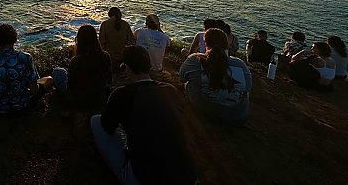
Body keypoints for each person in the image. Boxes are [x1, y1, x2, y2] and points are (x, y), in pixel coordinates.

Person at [90, 46, 196, 185]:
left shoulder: (121, 94)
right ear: (148, 66)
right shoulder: (169, 90)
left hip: (144, 178)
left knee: (96, 121)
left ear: (126, 68)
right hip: (187, 176)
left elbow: (108, 127)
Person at [180, 28, 252, 123]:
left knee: (189, 83)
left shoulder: (194, 60)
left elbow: (182, 78)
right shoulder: (241, 65)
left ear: (205, 43)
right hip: (237, 116)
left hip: (203, 110)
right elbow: (248, 87)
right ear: (227, 45)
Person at [0, 23, 53, 114]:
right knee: (49, 79)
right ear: (14, 39)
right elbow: (34, 91)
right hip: (22, 108)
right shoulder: (25, 58)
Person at [52, 24, 112, 111]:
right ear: (95, 39)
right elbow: (109, 80)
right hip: (99, 98)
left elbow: (70, 86)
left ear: (79, 40)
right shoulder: (105, 56)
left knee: (58, 71)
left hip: (78, 101)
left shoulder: (75, 61)